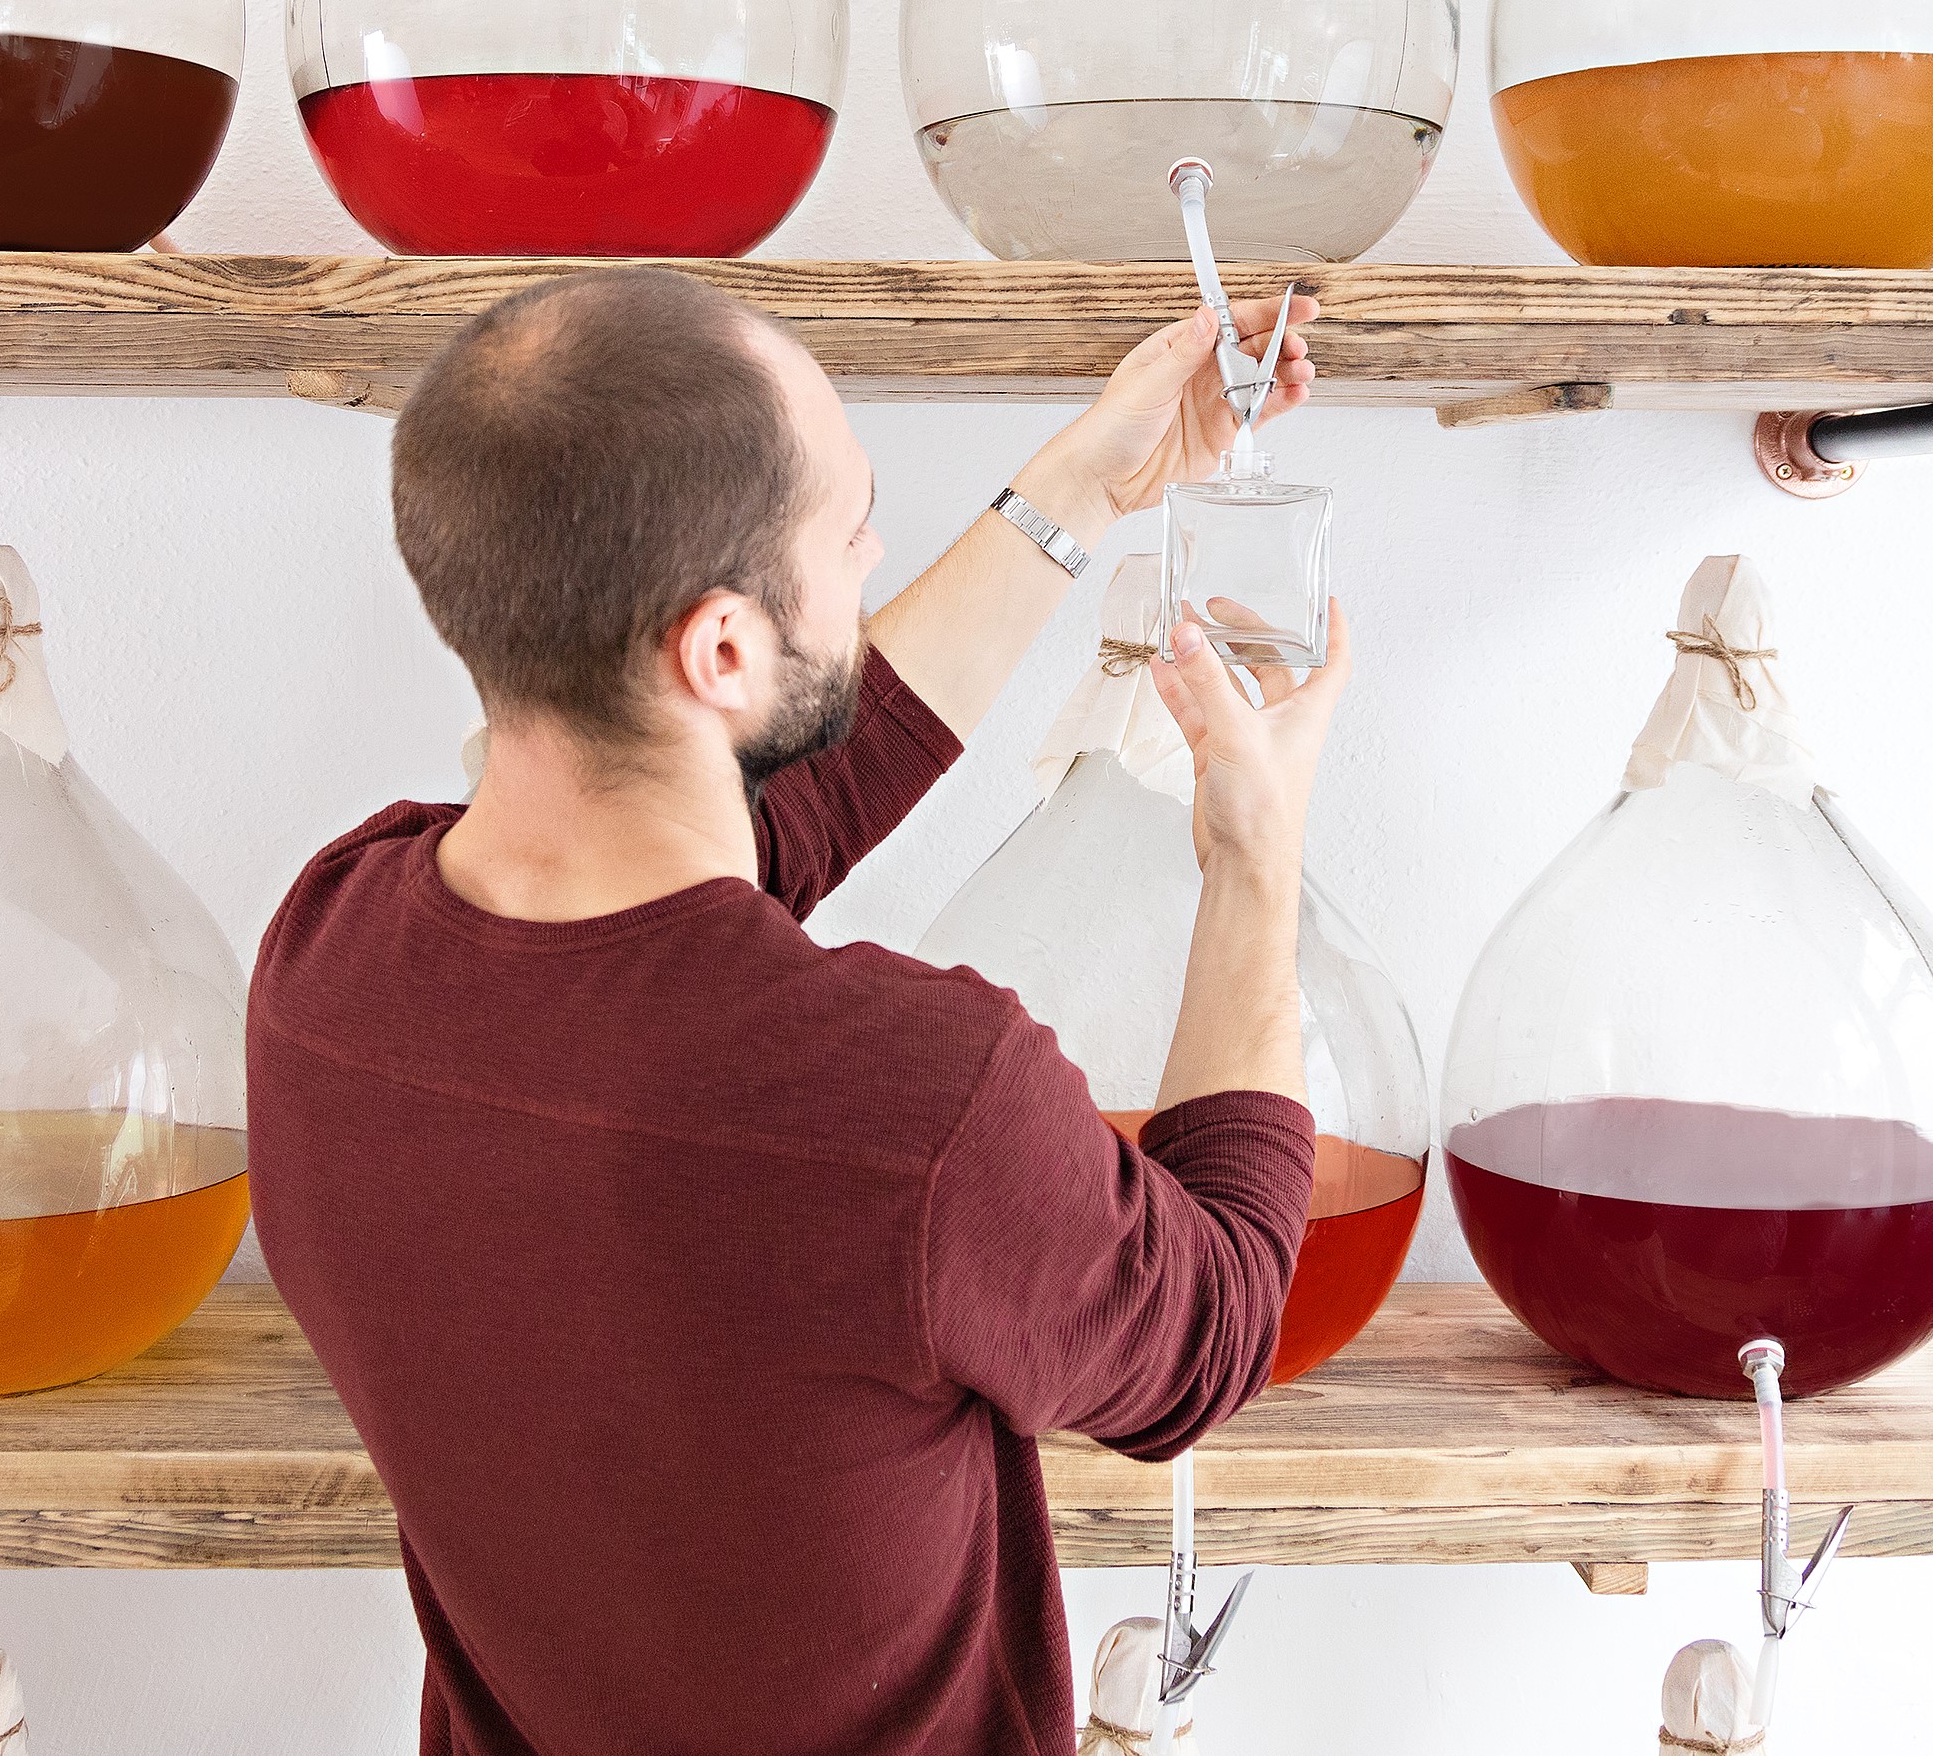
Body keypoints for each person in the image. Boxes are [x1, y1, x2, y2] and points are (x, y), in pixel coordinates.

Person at [248, 265, 1347, 1756]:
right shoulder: (917, 1107)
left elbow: (719, 841)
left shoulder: (327, 961)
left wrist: (1081, 487)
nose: (874, 547)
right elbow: (1211, 1329)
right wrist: (1251, 850)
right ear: (717, 650)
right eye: (849, 530)